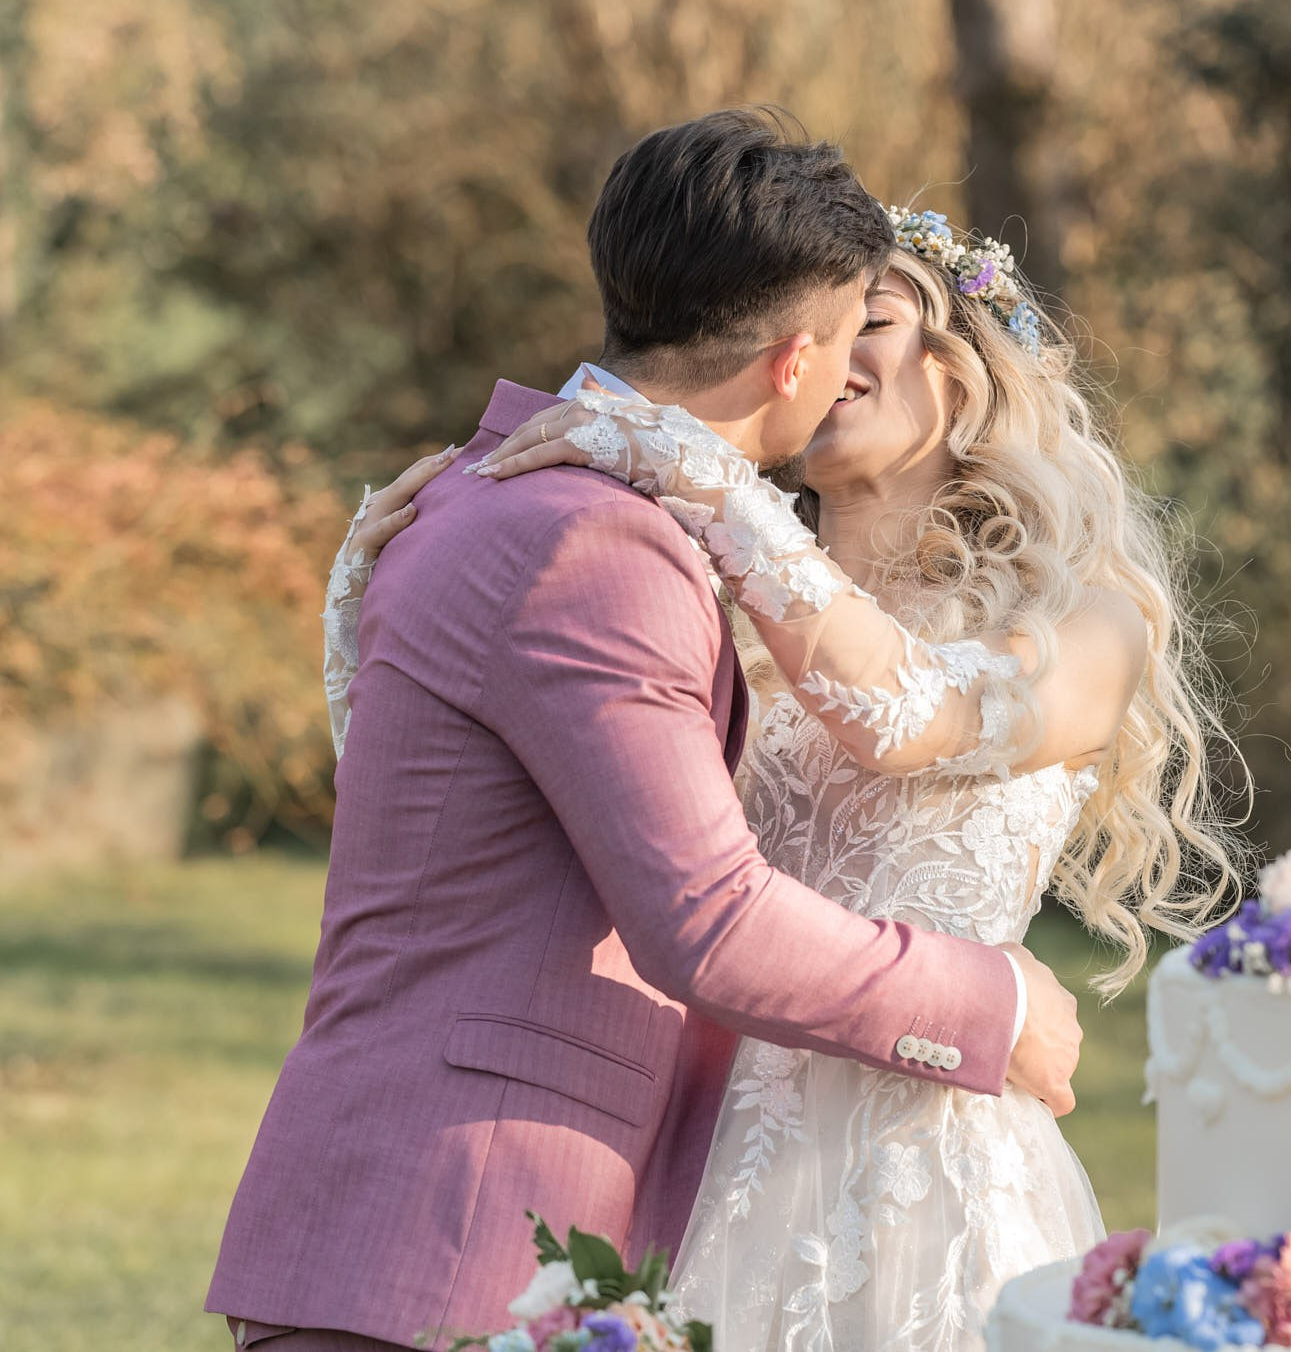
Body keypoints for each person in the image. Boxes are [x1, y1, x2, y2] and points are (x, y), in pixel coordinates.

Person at [206, 109, 1085, 1352]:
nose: (844, 381)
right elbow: (709, 921)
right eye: (845, 344)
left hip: (532, 1217)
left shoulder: (507, 500)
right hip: (456, 1230)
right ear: (794, 363)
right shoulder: (590, 543)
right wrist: (991, 1004)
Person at [331, 202, 1244, 1348]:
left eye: (869, 319)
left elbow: (909, 714)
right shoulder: (699, 615)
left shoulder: (1083, 626)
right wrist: (375, 610)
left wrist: (702, 475)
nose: (821, 351)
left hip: (926, 1167)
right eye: (809, 326)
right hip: (689, 1166)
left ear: (967, 370)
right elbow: (521, 834)